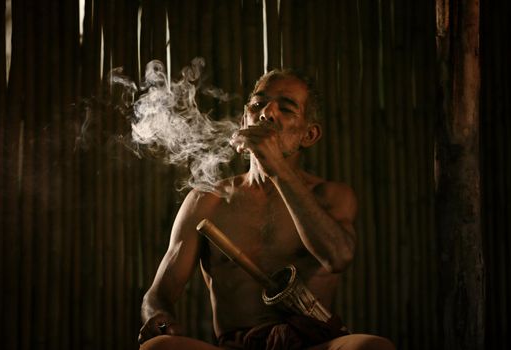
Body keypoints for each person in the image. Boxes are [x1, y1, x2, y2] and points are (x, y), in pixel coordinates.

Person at [138, 69, 395, 350]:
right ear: (243, 121)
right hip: (236, 347)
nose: (267, 114)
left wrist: (277, 170)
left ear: (309, 135)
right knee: (157, 348)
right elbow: (157, 295)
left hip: (312, 345)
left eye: (286, 108)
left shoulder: (330, 196)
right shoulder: (206, 200)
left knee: (373, 347)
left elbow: (338, 258)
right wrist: (158, 318)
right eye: (258, 105)